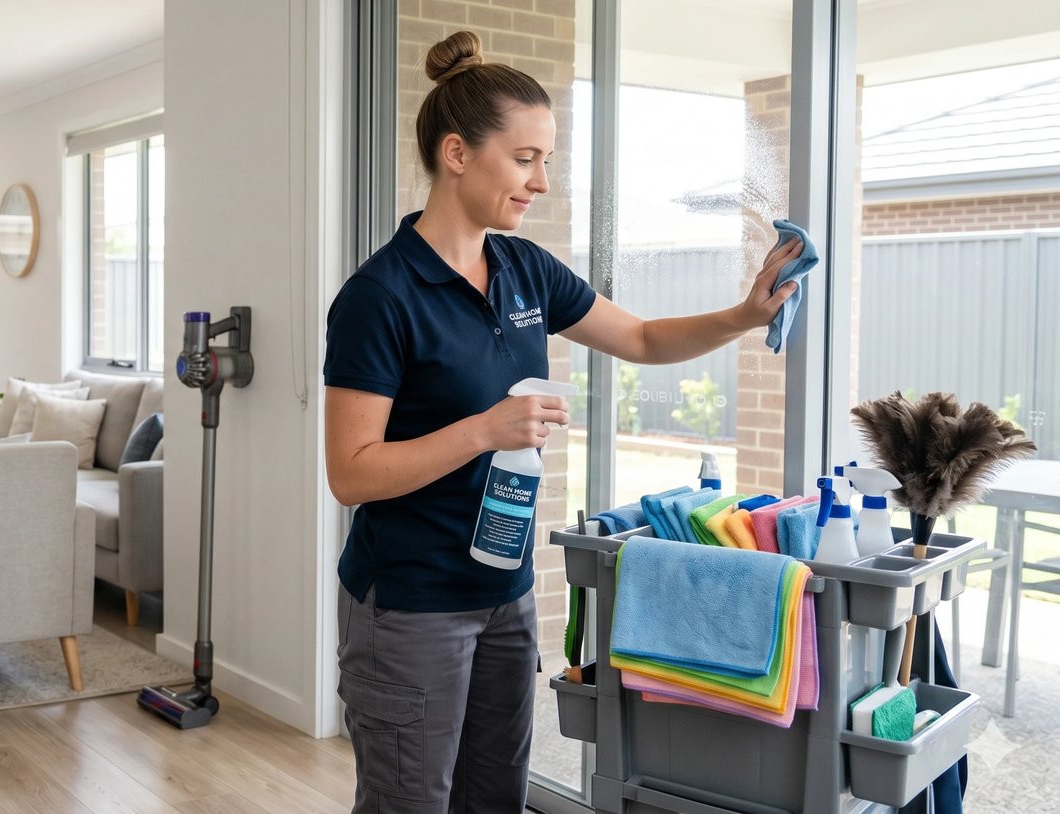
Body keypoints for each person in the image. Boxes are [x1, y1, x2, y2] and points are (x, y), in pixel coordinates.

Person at [323, 30, 804, 814]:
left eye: (546, 160)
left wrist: (745, 314)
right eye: (525, 159)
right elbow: (352, 472)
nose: (541, 182)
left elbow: (643, 338)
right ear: (456, 153)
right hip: (409, 606)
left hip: (505, 594)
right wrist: (485, 429)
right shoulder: (381, 296)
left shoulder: (525, 269)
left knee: (497, 799)